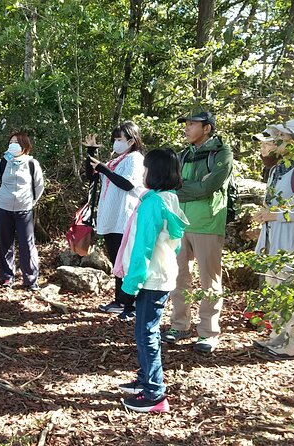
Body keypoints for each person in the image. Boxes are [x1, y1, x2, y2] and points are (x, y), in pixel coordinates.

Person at [113, 148, 188, 413]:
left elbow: (142, 247)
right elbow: (175, 244)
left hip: (151, 279)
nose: (142, 173)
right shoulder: (168, 198)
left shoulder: (153, 203)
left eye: (146, 169)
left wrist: (131, 284)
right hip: (162, 274)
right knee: (145, 331)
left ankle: (155, 394)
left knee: (146, 333)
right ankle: (145, 380)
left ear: (154, 172)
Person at [161, 110, 233, 354]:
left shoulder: (221, 153)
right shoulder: (183, 155)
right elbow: (173, 184)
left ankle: (208, 332)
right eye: (186, 124)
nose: (187, 128)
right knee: (178, 277)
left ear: (207, 128)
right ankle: (179, 324)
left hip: (208, 223)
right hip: (180, 223)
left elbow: (209, 187)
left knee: (209, 280)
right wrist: (194, 186)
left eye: (192, 124)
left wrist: (186, 187)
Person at [251, 119, 294, 359]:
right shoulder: (277, 171)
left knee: (292, 289)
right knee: (275, 287)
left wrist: (275, 216)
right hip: (274, 238)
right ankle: (279, 336)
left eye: (282, 136)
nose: (276, 140)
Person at [85, 121, 145, 321]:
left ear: (131, 140)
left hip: (124, 217)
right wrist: (91, 152)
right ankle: (119, 301)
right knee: (116, 261)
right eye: (115, 139)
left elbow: (128, 184)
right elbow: (91, 176)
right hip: (111, 217)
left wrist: (104, 169)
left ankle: (131, 303)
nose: (116, 143)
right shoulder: (116, 160)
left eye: (120, 139)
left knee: (125, 261)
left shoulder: (135, 159)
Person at [0, 132, 45, 291]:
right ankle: (7, 277)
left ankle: (31, 280)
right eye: (11, 141)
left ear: (25, 146)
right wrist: (1, 197)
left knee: (27, 244)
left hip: (24, 210)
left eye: (17, 142)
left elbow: (39, 186)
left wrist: (30, 201)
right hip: (3, 208)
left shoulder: (32, 163)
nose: (13, 145)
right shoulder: (3, 162)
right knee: (5, 243)